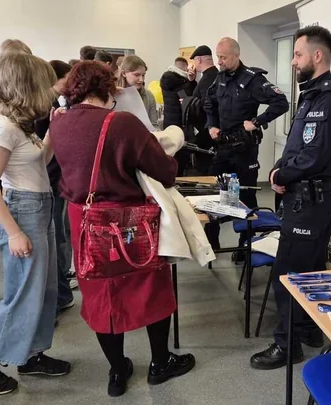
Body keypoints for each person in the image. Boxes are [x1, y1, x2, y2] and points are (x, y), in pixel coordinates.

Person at [49, 61, 196, 397]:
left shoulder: (59, 122)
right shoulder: (122, 122)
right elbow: (165, 171)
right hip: (128, 221)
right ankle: (160, 363)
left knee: (100, 294)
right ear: (107, 88)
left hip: (84, 219)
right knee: (150, 286)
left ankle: (117, 371)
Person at [0, 53, 70, 396]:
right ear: (26, 85)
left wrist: (52, 131)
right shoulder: (1, 125)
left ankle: (31, 354)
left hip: (37, 206)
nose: (49, 91)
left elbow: (40, 162)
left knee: (46, 290)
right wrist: (14, 232)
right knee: (24, 293)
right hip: (23, 212)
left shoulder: (18, 121)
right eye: (43, 84)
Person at [250, 26, 331, 370]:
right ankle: (309, 330)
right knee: (310, 271)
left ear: (317, 55)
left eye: (298, 54)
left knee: (288, 274)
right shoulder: (312, 96)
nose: (293, 61)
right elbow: (297, 146)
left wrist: (280, 176)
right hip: (306, 199)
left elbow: (314, 155)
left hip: (310, 202)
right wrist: (278, 170)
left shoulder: (330, 99)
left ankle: (287, 345)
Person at [204, 37, 289, 250]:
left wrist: (257, 122)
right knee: (213, 194)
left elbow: (281, 102)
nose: (219, 61)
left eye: (223, 57)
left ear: (236, 55)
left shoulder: (252, 79)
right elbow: (209, 102)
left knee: (247, 196)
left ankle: (246, 246)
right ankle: (211, 243)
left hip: (245, 149)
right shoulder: (220, 78)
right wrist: (212, 125)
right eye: (218, 57)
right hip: (223, 147)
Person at [33, 60, 77, 312]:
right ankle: (60, 290)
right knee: (56, 234)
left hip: (54, 177)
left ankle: (61, 289)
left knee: (58, 233)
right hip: (49, 177)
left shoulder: (56, 103)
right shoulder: (45, 106)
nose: (70, 83)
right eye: (67, 78)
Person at [161, 58, 197, 176]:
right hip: (179, 124)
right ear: (184, 68)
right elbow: (187, 98)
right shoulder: (178, 82)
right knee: (180, 155)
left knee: (173, 153)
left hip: (170, 123)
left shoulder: (168, 79)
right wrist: (191, 81)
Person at [187, 45, 218, 174]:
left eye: (195, 61)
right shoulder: (212, 75)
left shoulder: (208, 78)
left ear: (199, 60)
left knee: (205, 167)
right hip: (208, 129)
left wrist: (189, 103)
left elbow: (207, 104)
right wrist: (192, 81)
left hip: (207, 131)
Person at [116, 55, 158, 125]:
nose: (141, 80)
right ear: (124, 73)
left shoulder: (148, 96)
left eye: (143, 75)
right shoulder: (113, 95)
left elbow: (153, 124)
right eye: (136, 75)